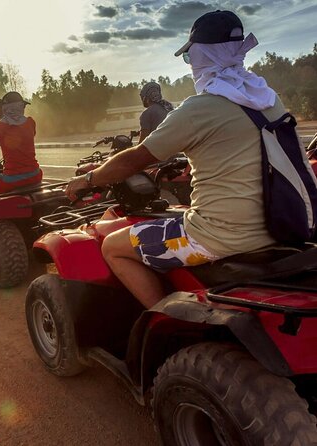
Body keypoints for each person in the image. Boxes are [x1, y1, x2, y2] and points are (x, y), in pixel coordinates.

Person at [64, 10, 284, 309]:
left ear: (201, 55)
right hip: (280, 224)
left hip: (221, 237)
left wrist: (86, 179)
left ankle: (164, 318)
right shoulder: (267, 98)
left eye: (190, 57)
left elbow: (134, 159)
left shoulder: (200, 108)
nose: (191, 65)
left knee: (113, 246)